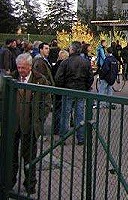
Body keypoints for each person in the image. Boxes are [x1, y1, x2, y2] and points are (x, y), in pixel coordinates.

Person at [11, 53, 50, 194]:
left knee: (30, 158)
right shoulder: (12, 78)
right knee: (10, 156)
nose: (21, 70)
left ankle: (30, 184)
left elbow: (46, 102)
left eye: (23, 68)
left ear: (30, 67)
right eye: (19, 67)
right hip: (13, 124)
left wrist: (39, 120)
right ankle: (9, 183)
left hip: (30, 125)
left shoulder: (40, 80)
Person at [55, 41, 94, 145]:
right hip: (80, 91)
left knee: (65, 115)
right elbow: (90, 78)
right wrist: (85, 87)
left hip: (68, 90)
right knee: (80, 115)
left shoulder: (65, 62)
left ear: (71, 49)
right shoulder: (85, 62)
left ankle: (63, 137)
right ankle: (81, 138)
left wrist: (62, 87)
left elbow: (58, 78)